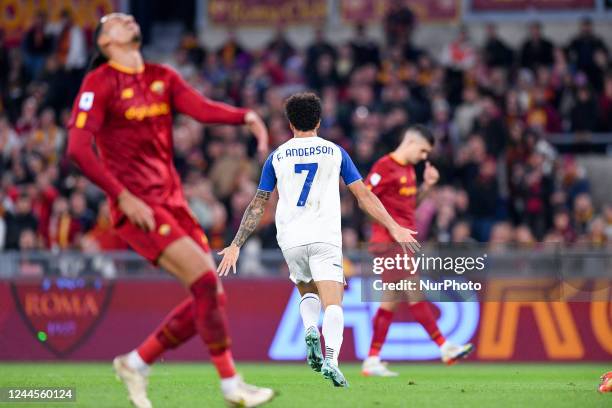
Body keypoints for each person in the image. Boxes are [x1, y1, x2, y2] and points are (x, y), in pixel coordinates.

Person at [66, 13, 274, 408]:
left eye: (128, 16)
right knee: (205, 284)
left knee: (210, 293)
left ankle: (135, 362)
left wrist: (244, 116)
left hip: (174, 203)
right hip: (140, 208)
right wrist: (121, 196)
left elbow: (201, 107)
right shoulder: (100, 81)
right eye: (116, 21)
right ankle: (231, 385)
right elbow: (77, 149)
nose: (128, 18)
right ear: (105, 43)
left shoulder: (162, 75)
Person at [217, 93, 420, 387]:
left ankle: (310, 327)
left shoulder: (277, 156)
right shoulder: (334, 152)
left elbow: (258, 204)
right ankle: (332, 360)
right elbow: (363, 196)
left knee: (307, 292)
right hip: (324, 235)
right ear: (319, 121)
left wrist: (236, 244)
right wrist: (393, 226)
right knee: (333, 301)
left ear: (289, 124)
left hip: (290, 238)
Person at [361, 125, 474, 377]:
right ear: (410, 141)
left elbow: (410, 205)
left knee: (390, 302)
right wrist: (391, 227)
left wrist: (427, 185)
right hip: (390, 241)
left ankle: (372, 358)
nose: (424, 157)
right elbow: (364, 199)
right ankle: (444, 347)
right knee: (414, 290)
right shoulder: (384, 166)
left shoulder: (410, 171)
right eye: (423, 150)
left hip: (403, 241)